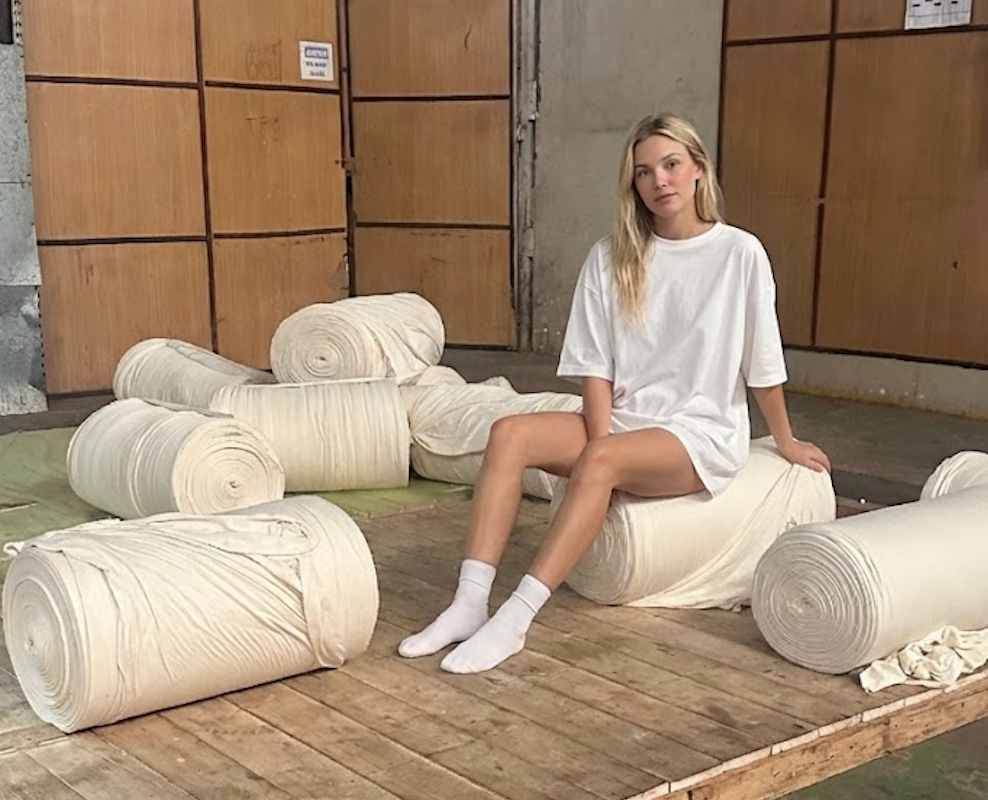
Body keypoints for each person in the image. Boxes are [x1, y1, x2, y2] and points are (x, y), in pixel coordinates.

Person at [398, 111, 830, 674]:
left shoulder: (739, 253)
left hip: (696, 433)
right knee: (509, 433)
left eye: (671, 165)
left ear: (699, 169)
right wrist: (602, 447)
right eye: (644, 172)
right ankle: (469, 604)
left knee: (600, 460)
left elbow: (762, 363)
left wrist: (785, 440)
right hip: (624, 420)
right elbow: (595, 369)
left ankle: (514, 621)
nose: (660, 181)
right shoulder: (610, 257)